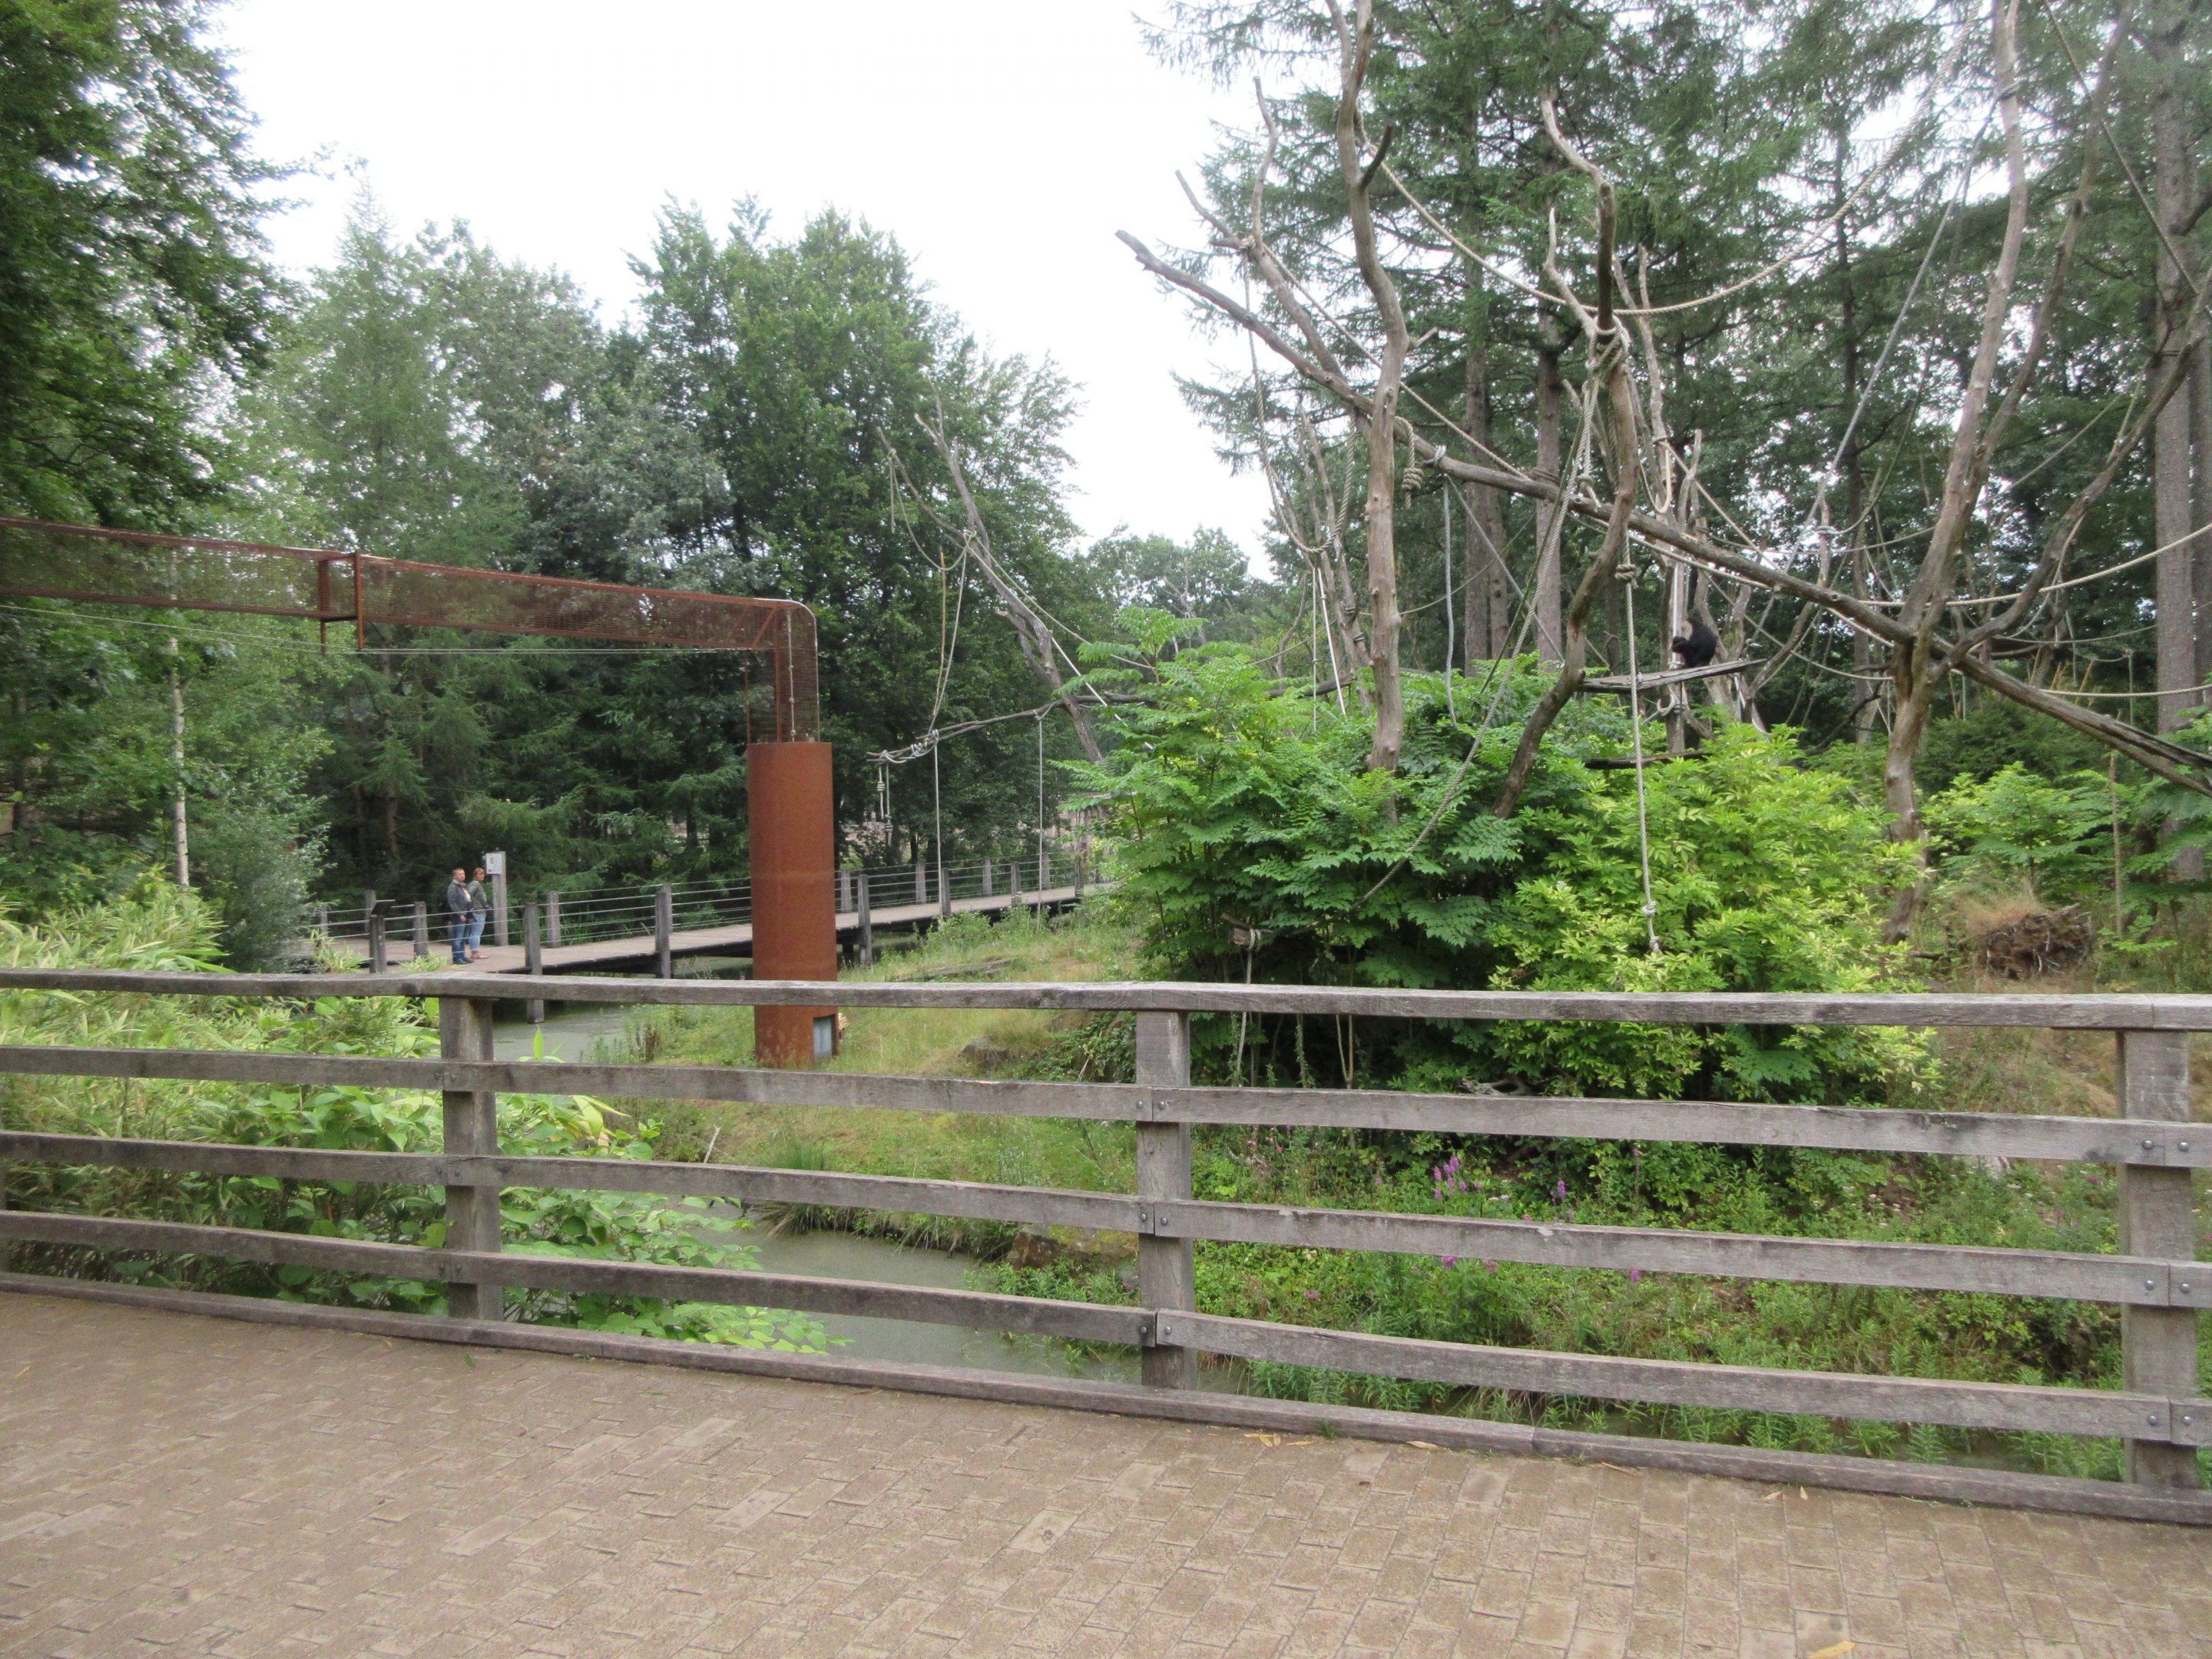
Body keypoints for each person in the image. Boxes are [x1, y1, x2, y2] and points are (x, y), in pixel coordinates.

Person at [443, 868, 472, 965]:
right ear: (455, 876)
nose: (462, 876)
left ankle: (462, 956)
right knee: (458, 937)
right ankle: (457, 958)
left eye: (463, 874)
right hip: (458, 916)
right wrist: (460, 914)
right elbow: (452, 902)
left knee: (464, 937)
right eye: (460, 874)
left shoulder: (463, 886)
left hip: (467, 913)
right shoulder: (453, 886)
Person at [465, 866, 492, 961]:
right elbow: (468, 894)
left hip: (478, 910)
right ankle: (475, 952)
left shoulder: (476, 884)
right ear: (475, 875)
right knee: (476, 932)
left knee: (475, 932)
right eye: (479, 874)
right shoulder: (475, 884)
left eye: (483, 874)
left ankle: (475, 951)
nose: (482, 876)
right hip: (478, 911)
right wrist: (473, 905)